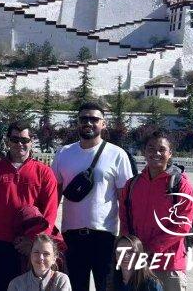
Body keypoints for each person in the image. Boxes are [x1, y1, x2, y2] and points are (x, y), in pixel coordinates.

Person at [52, 101, 133, 291]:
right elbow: (53, 195)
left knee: (106, 287)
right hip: (71, 237)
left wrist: (127, 234)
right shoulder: (64, 153)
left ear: (103, 124)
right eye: (83, 119)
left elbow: (126, 199)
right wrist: (49, 229)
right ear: (77, 122)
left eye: (94, 119)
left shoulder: (117, 154)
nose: (88, 123)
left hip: (105, 237)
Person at [0, 121, 59, 291]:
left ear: (31, 142)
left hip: (30, 246)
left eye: (24, 140)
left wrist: (37, 241)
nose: (20, 144)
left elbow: (50, 210)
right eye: (15, 139)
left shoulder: (44, 172)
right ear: (7, 141)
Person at [118, 132, 193, 291]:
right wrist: (132, 247)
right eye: (151, 149)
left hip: (169, 263)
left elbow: (182, 226)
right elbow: (124, 219)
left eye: (162, 149)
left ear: (170, 153)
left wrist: (151, 248)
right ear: (144, 152)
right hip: (138, 263)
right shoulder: (132, 185)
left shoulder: (180, 185)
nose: (156, 153)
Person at [7, 234, 72, 291]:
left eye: (46, 253)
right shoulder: (16, 284)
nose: (41, 257)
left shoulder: (61, 280)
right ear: (30, 255)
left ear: (54, 259)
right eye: (36, 252)